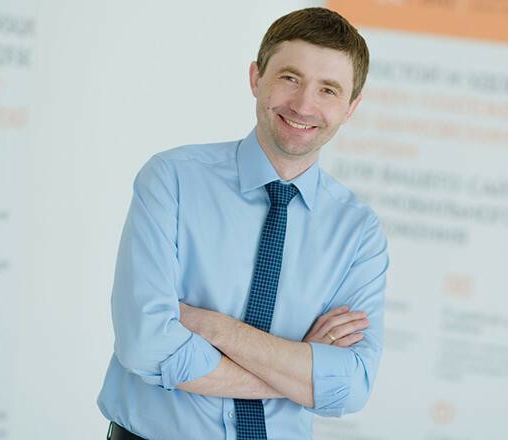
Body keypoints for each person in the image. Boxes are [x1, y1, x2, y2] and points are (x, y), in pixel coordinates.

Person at [97, 7, 389, 440]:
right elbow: (146, 345)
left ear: (351, 107)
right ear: (256, 78)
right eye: (290, 77)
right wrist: (300, 372)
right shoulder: (172, 180)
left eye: (328, 89)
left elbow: (351, 385)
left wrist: (215, 328)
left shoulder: (359, 233)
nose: (304, 105)